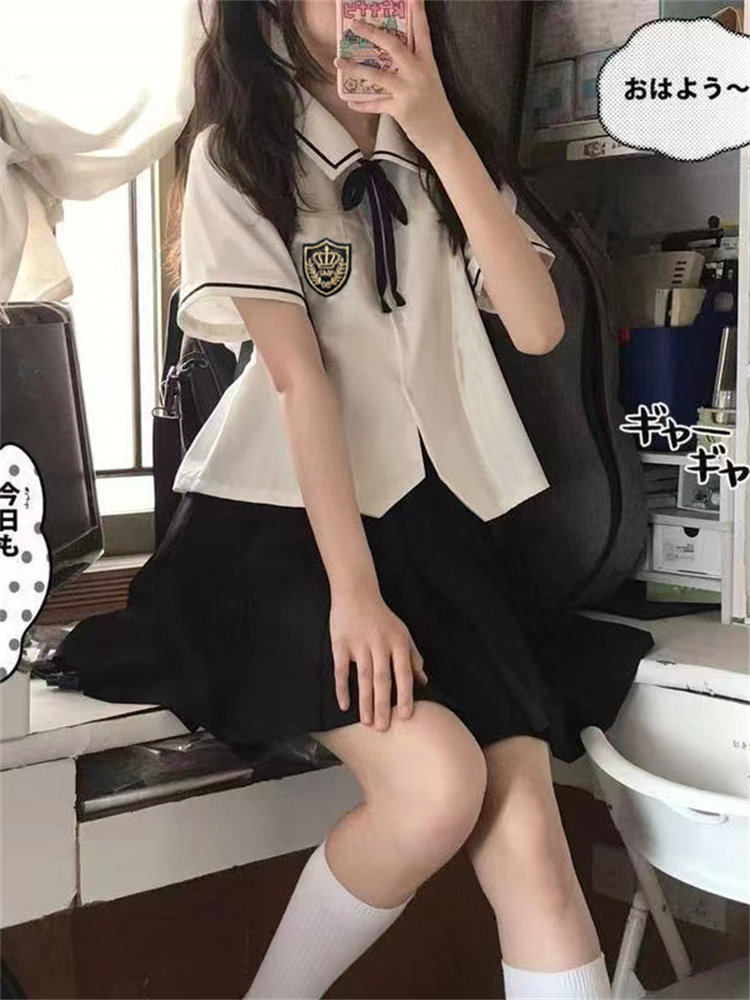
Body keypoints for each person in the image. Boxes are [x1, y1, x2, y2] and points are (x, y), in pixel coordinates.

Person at [53, 1, 655, 997]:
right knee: (439, 786)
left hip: (435, 524)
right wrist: (356, 592)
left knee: (532, 843)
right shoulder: (238, 152)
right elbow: (301, 383)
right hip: (278, 529)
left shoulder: (439, 144)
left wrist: (439, 131)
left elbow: (539, 328)